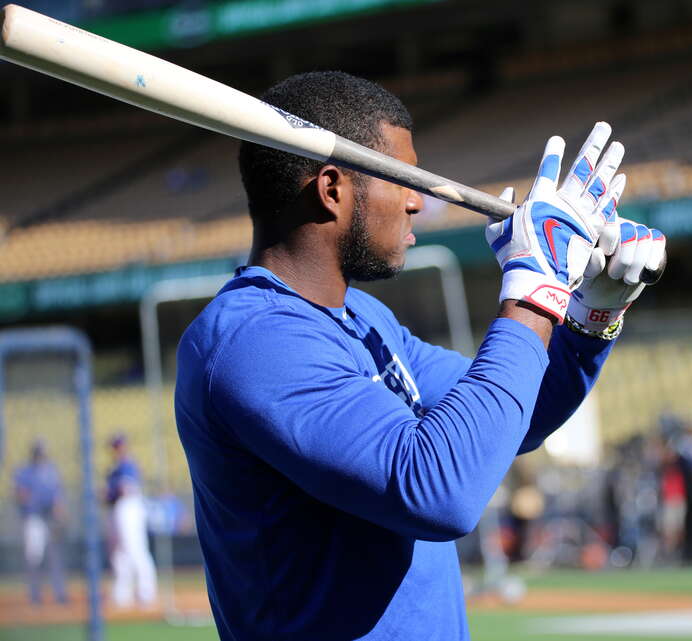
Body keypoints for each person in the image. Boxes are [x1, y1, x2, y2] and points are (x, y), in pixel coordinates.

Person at [175, 71, 666, 640]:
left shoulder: (364, 318)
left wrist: (586, 316)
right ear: (332, 189)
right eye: (402, 179)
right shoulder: (256, 342)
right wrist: (535, 293)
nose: (418, 203)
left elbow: (516, 419)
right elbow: (439, 494)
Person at [13, 439, 69, 605]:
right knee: (34, 557)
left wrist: (60, 511)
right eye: (38, 452)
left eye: (42, 452)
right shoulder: (25, 472)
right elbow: (20, 495)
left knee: (55, 556)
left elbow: (58, 496)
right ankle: (34, 594)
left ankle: (59, 593)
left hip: (49, 518)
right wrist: (31, 500)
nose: (40, 455)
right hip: (34, 518)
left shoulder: (51, 471)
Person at [105, 433, 158, 608]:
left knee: (134, 548)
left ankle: (146, 592)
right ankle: (122, 594)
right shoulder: (115, 468)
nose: (117, 449)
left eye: (119, 445)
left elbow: (126, 489)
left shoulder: (127, 465)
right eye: (115, 446)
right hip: (119, 509)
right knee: (119, 552)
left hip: (130, 507)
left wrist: (108, 493)